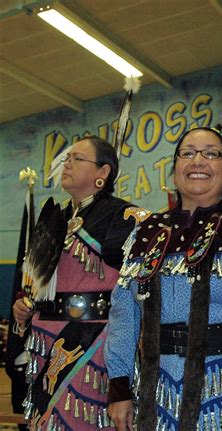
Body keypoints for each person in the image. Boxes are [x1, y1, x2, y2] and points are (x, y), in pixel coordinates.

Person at [105, 127, 222, 430]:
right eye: (188, 153)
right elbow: (124, 313)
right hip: (156, 390)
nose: (198, 161)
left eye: (211, 154)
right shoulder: (146, 232)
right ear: (174, 171)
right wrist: (119, 385)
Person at [11, 136, 135, 430]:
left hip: (92, 342)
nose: (66, 164)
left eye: (77, 159)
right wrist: (23, 305)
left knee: (81, 419)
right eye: (66, 159)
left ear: (103, 172)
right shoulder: (54, 216)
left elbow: (134, 288)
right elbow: (35, 283)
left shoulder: (123, 216)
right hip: (45, 340)